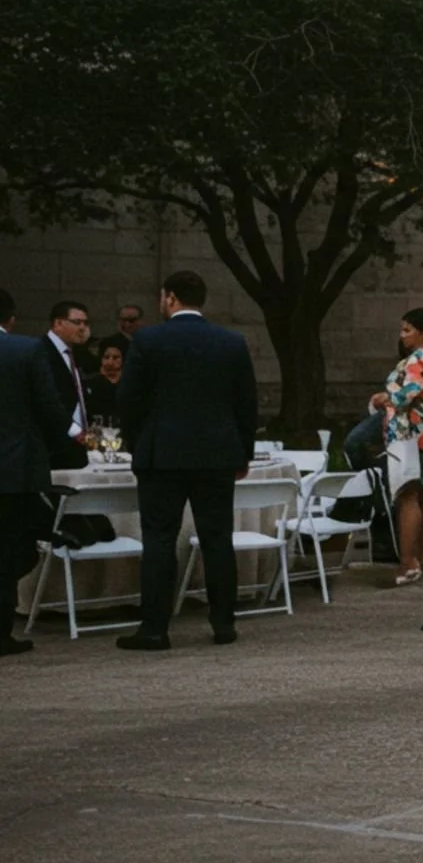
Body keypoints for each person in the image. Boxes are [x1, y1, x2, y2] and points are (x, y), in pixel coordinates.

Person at [115, 271, 260, 651]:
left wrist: (138, 443)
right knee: (217, 538)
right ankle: (224, 621)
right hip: (216, 453)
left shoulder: (148, 340)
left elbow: (129, 399)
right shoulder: (230, 342)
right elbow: (246, 402)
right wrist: (243, 452)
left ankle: (154, 627)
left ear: (170, 298)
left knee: (159, 539)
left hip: (162, 452)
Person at [0, 288, 69, 655]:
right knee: (13, 546)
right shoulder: (26, 350)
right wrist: (69, 440)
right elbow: (48, 406)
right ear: (10, 319)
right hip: (14, 467)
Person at [372, 308, 423, 586]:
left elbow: (406, 394)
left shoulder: (419, 358)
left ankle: (408, 563)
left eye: (407, 330)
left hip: (411, 432)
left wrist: (384, 398)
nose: (402, 335)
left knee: (407, 495)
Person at [37, 300, 93, 470]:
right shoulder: (39, 351)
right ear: (58, 323)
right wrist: (74, 431)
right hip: (52, 444)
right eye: (77, 322)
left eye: (85, 323)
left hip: (78, 444)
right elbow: (45, 399)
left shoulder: (76, 352)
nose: (82, 328)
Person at [83, 337, 127, 425]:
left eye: (115, 357)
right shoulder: (89, 384)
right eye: (106, 357)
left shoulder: (130, 384)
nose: (110, 362)